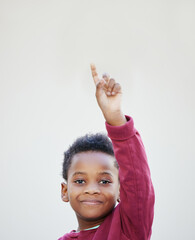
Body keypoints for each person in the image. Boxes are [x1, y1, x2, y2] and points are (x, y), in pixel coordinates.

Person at [58, 64, 155, 240]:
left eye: (104, 181)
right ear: (65, 191)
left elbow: (137, 183)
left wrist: (116, 119)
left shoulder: (128, 229)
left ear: (120, 191)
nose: (92, 190)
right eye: (80, 180)